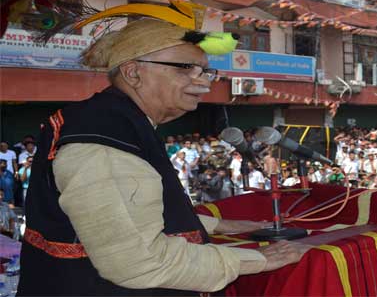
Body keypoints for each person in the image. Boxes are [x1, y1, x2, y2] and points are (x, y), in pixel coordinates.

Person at [19, 18, 308, 296]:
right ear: (133, 73)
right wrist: (259, 260)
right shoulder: (104, 137)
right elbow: (138, 263)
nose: (204, 83)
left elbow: (128, 217)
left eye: (206, 71)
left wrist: (222, 226)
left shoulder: (121, 122)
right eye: (185, 68)